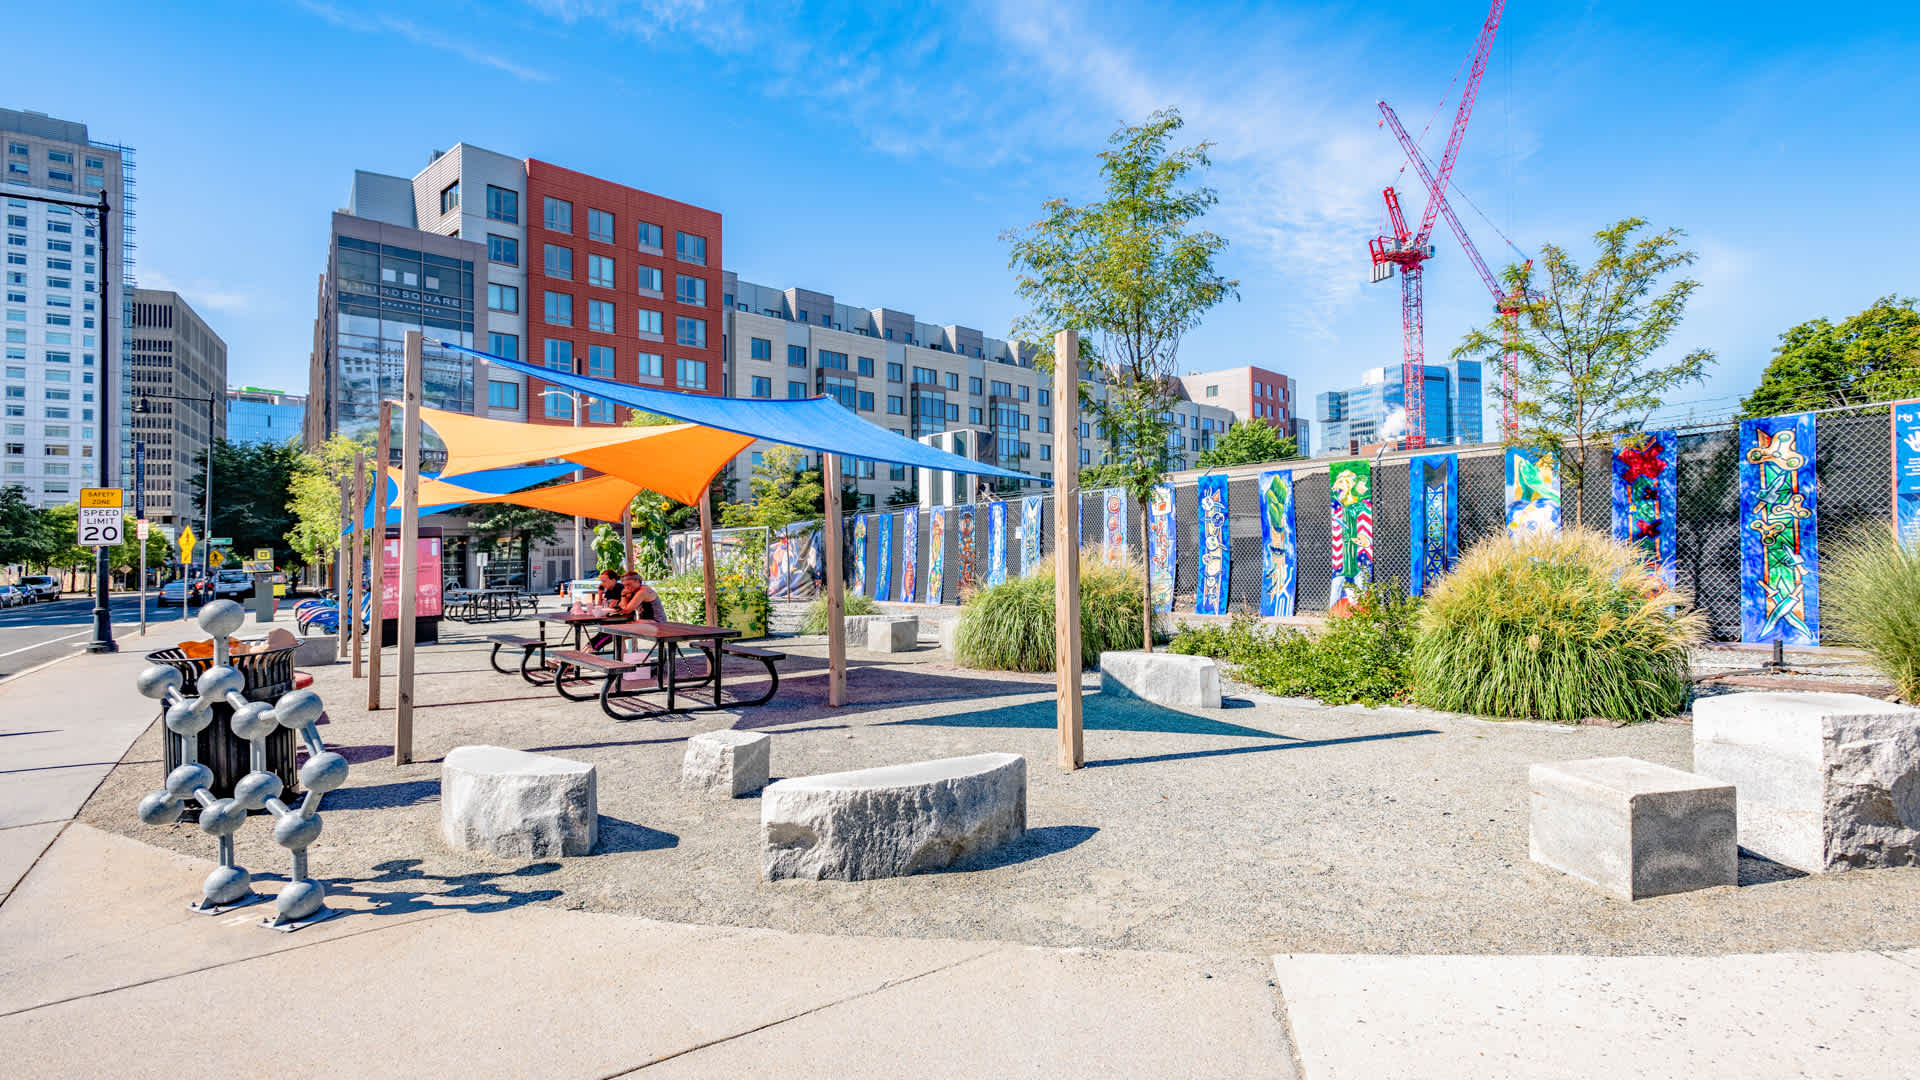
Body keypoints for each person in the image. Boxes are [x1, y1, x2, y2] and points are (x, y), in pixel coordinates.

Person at [590, 572, 660, 652]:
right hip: (646, 622)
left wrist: (623, 595)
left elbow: (626, 610)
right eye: (625, 585)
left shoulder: (643, 591)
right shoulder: (634, 591)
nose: (626, 588)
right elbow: (622, 607)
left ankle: (620, 661)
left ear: (637, 581)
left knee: (618, 631)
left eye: (629, 585)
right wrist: (624, 597)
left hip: (657, 623)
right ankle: (622, 661)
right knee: (618, 634)